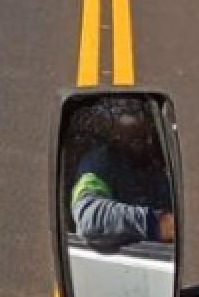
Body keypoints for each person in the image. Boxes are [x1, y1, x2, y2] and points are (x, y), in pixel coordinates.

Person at [70, 101, 175, 247]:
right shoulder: (99, 165)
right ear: (117, 140)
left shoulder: (157, 162)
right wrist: (159, 224)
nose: (149, 145)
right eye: (138, 140)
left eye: (151, 137)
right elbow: (88, 218)